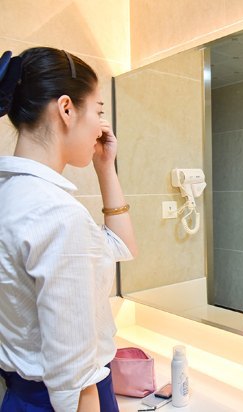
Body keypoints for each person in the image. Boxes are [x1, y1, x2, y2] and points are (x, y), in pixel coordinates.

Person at [0, 47, 137, 411]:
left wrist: (105, 167)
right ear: (66, 109)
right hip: (66, 400)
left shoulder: (11, 194)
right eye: (98, 111)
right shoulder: (57, 214)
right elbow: (74, 379)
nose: (101, 127)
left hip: (21, 395)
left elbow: (121, 246)